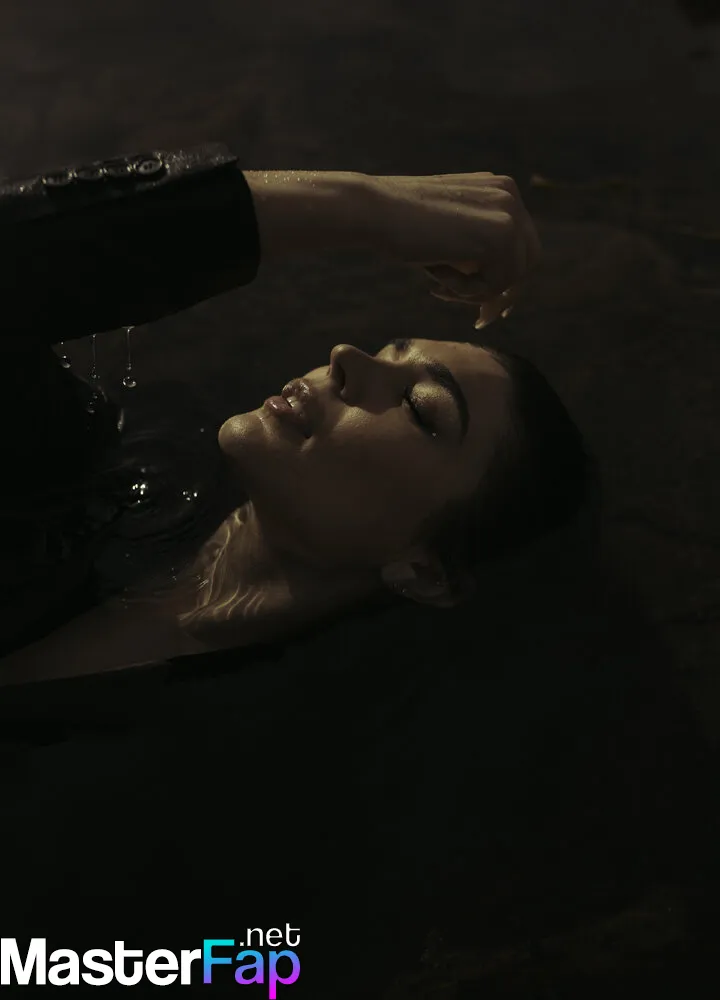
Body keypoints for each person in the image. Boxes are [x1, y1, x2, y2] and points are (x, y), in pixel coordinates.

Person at [0, 141, 590, 683]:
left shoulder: (228, 740)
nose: (344, 356)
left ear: (424, 572)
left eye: (419, 407)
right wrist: (358, 205)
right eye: (384, 353)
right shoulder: (79, 472)